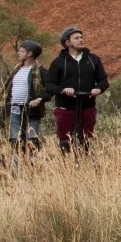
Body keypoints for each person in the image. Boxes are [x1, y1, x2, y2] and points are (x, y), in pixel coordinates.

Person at [45, 26, 109, 154]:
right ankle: (67, 167)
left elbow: (104, 81)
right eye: (76, 38)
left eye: (81, 37)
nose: (81, 40)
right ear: (67, 43)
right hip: (65, 107)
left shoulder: (93, 60)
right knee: (65, 140)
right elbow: (49, 84)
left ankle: (84, 164)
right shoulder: (58, 62)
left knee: (86, 138)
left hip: (87, 105)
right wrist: (63, 90)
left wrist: (98, 88)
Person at [0, 39, 47, 156]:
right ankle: (15, 170)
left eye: (22, 51)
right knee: (15, 140)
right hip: (15, 110)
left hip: (31, 111)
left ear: (29, 54)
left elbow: (49, 89)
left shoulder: (41, 71)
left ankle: (32, 167)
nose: (18, 53)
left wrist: (39, 99)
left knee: (31, 141)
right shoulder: (17, 69)